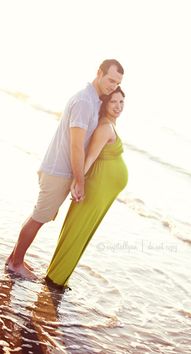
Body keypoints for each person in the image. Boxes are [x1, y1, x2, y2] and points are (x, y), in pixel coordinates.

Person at [6, 59, 124, 280]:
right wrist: (79, 180)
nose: (113, 85)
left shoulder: (94, 100)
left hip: (60, 170)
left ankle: (15, 258)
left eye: (117, 82)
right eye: (110, 79)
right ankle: (16, 263)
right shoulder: (84, 102)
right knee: (39, 217)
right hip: (58, 171)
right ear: (98, 73)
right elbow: (76, 145)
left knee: (39, 215)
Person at [46, 86, 128, 287]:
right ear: (105, 104)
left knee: (83, 231)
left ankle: (58, 275)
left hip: (104, 190)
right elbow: (90, 157)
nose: (118, 106)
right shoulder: (105, 128)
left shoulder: (110, 125)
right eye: (113, 102)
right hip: (96, 187)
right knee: (78, 230)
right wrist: (78, 182)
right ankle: (55, 278)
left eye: (121, 102)